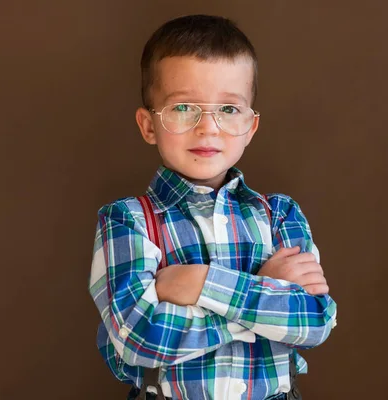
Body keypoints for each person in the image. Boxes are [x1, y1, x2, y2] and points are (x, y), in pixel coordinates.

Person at [88, 14, 338, 400]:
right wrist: (262, 292)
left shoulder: (280, 215)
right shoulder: (127, 220)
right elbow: (139, 338)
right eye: (184, 108)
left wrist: (196, 282)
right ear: (148, 125)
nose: (208, 127)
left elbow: (313, 321)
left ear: (250, 127)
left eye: (228, 109)